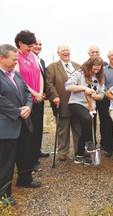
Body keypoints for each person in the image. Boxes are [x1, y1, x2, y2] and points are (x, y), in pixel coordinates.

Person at [0, 44, 42, 206]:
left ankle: (25, 179)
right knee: (6, 161)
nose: (16, 62)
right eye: (13, 59)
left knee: (25, 153)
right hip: (8, 124)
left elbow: (26, 91)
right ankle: (4, 194)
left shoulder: (16, 74)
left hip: (24, 120)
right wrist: (18, 111)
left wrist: (28, 107)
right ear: (2, 58)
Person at [14, 31, 46, 173]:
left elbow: (39, 75)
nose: (31, 48)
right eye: (29, 45)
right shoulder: (16, 57)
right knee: (28, 133)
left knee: (37, 130)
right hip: (26, 101)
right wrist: (34, 93)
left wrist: (39, 92)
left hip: (37, 99)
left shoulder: (32, 56)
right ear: (20, 43)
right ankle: (26, 164)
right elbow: (19, 80)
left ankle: (34, 160)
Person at [65, 56, 105, 165]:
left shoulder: (99, 76)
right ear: (89, 65)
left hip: (91, 106)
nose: (96, 71)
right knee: (87, 119)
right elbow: (68, 87)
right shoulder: (79, 73)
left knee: (85, 128)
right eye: (94, 69)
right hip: (76, 103)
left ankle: (79, 156)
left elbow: (102, 94)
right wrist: (84, 88)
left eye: (98, 69)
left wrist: (97, 96)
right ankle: (89, 142)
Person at [46, 44, 81, 161]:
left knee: (78, 127)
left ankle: (79, 150)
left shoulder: (77, 66)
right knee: (63, 128)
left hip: (77, 102)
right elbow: (49, 84)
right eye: (63, 50)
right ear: (58, 53)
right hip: (61, 101)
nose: (66, 52)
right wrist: (54, 96)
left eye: (67, 50)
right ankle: (63, 151)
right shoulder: (52, 67)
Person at [31, 37, 50, 170]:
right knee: (32, 128)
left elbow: (43, 78)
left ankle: (37, 150)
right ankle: (31, 156)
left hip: (40, 97)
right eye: (36, 44)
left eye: (40, 44)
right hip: (31, 98)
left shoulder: (41, 61)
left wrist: (43, 93)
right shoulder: (28, 60)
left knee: (39, 127)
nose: (38, 46)